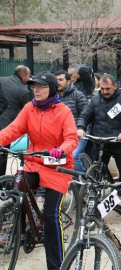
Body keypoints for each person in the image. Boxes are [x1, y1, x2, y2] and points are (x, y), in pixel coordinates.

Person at [0, 71, 78, 269]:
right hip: (34, 162)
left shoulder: (63, 111)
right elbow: (13, 129)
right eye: (34, 86)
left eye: (41, 86)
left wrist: (60, 150)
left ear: (51, 89)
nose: (36, 90)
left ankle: (57, 265)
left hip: (57, 167)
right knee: (17, 189)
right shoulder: (29, 108)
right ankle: (23, 227)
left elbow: (72, 138)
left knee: (52, 215)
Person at [77, 74, 121, 182]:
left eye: (108, 89)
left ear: (115, 86)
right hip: (99, 141)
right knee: (97, 174)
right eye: (102, 89)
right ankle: (95, 194)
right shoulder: (95, 100)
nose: (105, 92)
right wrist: (80, 127)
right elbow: (84, 116)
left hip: (118, 141)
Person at [0, 65, 31, 175]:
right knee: (2, 155)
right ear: (23, 76)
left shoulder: (1, 80)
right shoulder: (24, 91)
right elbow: (25, 110)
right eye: (28, 76)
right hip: (7, 125)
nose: (29, 78)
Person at [54, 70, 88, 172]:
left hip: (77, 134)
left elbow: (85, 114)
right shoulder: (52, 97)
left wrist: (80, 128)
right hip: (59, 135)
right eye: (56, 80)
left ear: (69, 81)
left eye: (61, 80)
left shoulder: (78, 95)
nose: (58, 82)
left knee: (72, 155)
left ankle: (81, 182)